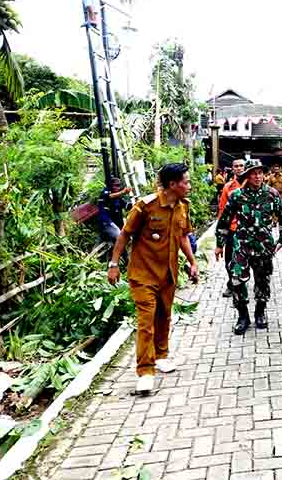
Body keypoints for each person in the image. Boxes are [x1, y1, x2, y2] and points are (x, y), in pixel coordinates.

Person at [107, 163, 198, 393]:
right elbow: (125, 234)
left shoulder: (183, 207)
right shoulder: (145, 206)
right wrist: (114, 264)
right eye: (186, 182)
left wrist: (192, 262)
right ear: (172, 184)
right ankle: (145, 371)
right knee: (146, 323)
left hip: (168, 273)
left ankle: (161, 355)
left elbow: (183, 236)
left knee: (164, 316)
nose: (189, 185)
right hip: (143, 275)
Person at [215, 159, 282, 335]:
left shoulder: (272, 194)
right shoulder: (236, 196)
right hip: (242, 245)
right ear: (247, 176)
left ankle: (260, 312)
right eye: (253, 173)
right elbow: (224, 221)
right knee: (237, 280)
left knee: (262, 281)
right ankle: (243, 316)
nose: (257, 176)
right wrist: (219, 244)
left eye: (260, 173)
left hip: (264, 246)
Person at [217, 158, 245, 298]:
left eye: (241, 166)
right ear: (232, 169)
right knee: (229, 259)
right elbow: (222, 209)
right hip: (232, 229)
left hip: (249, 230)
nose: (239, 168)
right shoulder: (228, 187)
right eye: (236, 166)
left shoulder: (252, 184)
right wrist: (220, 234)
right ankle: (232, 284)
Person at [98, 177, 131, 243]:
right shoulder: (105, 192)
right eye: (116, 185)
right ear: (111, 185)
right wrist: (123, 192)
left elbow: (125, 205)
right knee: (120, 236)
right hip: (106, 222)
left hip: (114, 222)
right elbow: (109, 196)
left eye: (119, 185)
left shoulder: (117, 197)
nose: (118, 187)